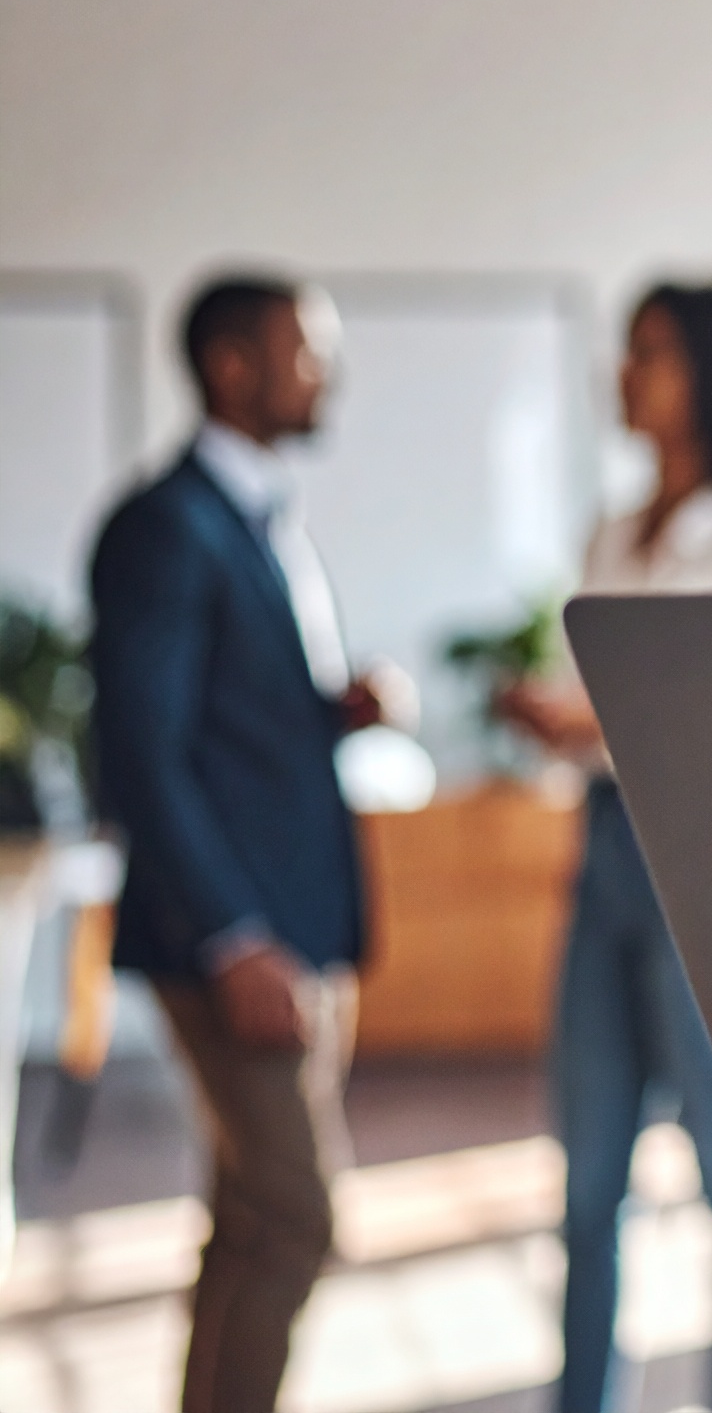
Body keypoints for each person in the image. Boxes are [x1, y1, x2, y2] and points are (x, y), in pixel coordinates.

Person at [500, 283, 712, 1413]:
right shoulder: (614, 526)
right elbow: (605, 699)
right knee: (587, 1180)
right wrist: (567, 722)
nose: (626, 374)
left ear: (708, 374)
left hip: (701, 873)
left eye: (651, 352)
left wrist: (587, 722)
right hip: (605, 856)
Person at [90, 274, 403, 1413]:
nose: (326, 373)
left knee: (250, 1219)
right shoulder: (165, 528)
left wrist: (337, 710)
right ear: (232, 365)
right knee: (299, 1217)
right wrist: (233, 936)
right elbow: (142, 752)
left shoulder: (257, 516)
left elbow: (228, 719)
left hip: (291, 917)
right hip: (235, 937)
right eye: (305, 350)